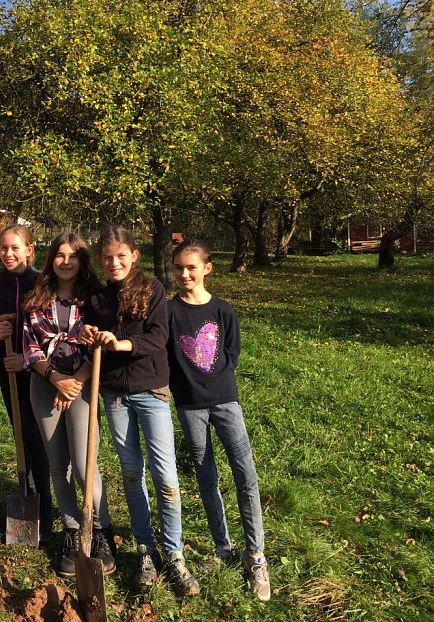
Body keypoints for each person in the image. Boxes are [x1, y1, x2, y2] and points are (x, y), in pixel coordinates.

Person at [81, 226, 200, 596]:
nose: (113, 263)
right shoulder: (98, 298)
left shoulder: (153, 289)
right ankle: (145, 549)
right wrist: (91, 337)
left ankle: (174, 554)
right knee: (132, 473)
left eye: (120, 256)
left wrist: (121, 343)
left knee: (165, 475)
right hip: (115, 394)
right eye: (107, 258)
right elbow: (93, 341)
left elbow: (157, 336)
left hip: (151, 391)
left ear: (134, 255)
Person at [168, 238, 270, 601]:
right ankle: (223, 548)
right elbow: (164, 357)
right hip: (189, 407)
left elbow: (232, 353)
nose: (184, 274)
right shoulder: (169, 312)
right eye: (178, 267)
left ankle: (255, 554)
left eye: (191, 267)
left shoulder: (223, 310)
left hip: (226, 403)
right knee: (205, 476)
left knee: (246, 474)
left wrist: (216, 381)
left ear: (207, 268)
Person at [22, 231, 116, 577]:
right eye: (59, 255)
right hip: (45, 385)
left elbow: (101, 346)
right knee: (56, 464)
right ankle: (73, 530)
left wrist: (76, 380)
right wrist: (55, 379)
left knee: (83, 466)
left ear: (82, 260)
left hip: (83, 386)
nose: (65, 261)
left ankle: (101, 530)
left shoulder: (96, 300)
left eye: (72, 256)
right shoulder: (37, 297)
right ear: (51, 260)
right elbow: (29, 347)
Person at [0, 224, 53, 545]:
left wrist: (25, 359)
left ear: (30, 249)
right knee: (21, 435)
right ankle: (26, 494)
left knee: (39, 437)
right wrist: (1, 345)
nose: (8, 254)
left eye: (15, 248)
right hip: (8, 369)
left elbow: (46, 330)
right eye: (3, 248)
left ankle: (47, 506)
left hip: (38, 372)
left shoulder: (40, 283)